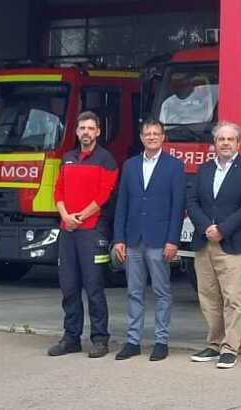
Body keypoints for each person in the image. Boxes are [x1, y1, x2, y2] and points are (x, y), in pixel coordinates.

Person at [185, 121, 241, 369]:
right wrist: (207, 227)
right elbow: (192, 201)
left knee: (233, 298)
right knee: (208, 296)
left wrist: (222, 230)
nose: (226, 143)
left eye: (230, 139)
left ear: (238, 143)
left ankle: (230, 348)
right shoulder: (204, 169)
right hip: (204, 241)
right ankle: (214, 343)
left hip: (233, 244)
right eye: (221, 139)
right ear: (214, 144)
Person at [112, 118, 186, 361]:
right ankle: (133, 341)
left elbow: (178, 207)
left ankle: (161, 341)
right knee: (134, 291)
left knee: (161, 292)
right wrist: (119, 238)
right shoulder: (130, 165)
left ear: (163, 138)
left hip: (159, 239)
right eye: (148, 134)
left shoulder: (174, 166)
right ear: (141, 138)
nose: (152, 137)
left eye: (156, 133)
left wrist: (173, 240)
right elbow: (121, 203)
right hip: (133, 239)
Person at [48, 111, 118, 359]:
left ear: (98, 132)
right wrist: (66, 216)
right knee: (68, 287)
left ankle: (100, 339)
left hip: (91, 231)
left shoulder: (106, 159)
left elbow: (103, 194)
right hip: (68, 231)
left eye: (91, 128)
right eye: (82, 128)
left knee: (94, 287)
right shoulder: (67, 158)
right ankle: (71, 338)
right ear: (76, 132)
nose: (86, 132)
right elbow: (58, 190)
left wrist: (79, 217)